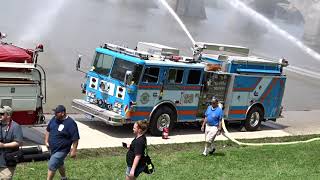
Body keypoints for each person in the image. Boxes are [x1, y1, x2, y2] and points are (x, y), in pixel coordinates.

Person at [45, 105, 80, 180]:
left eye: (57, 113)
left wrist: (73, 151)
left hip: (62, 149)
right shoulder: (54, 119)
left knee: (52, 164)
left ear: (63, 113)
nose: (55, 114)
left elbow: (75, 138)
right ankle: (64, 178)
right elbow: (48, 130)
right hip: (52, 148)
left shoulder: (70, 123)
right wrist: (46, 141)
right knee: (60, 163)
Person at [0, 106, 23, 179]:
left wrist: (3, 145)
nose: (0, 115)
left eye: (2, 113)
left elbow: (18, 143)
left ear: (9, 115)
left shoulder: (15, 126)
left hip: (7, 163)